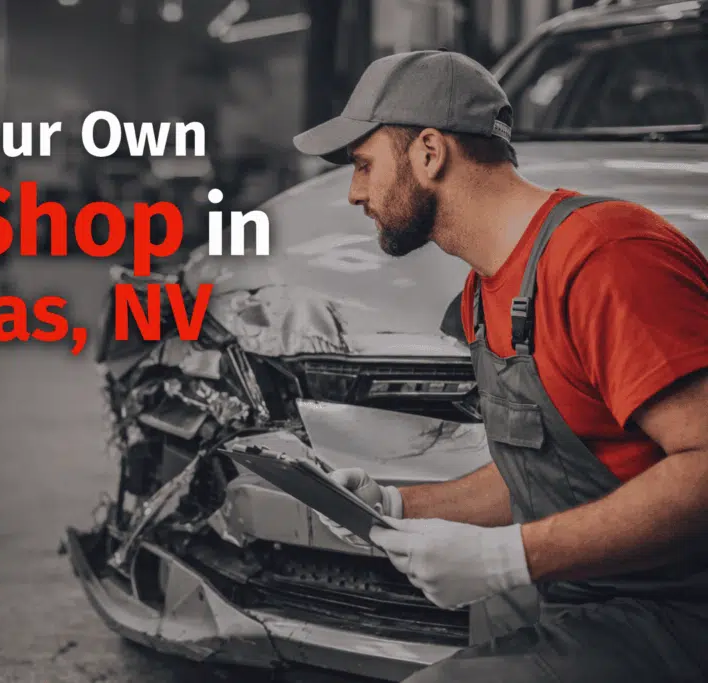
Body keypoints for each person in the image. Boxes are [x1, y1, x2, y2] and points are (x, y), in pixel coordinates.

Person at [293, 49, 708, 682]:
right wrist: (401, 505)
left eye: (362, 165)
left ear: (430, 152)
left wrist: (507, 557)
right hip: (587, 603)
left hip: (677, 617)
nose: (354, 192)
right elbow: (545, 470)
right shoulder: (489, 293)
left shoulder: (606, 258)